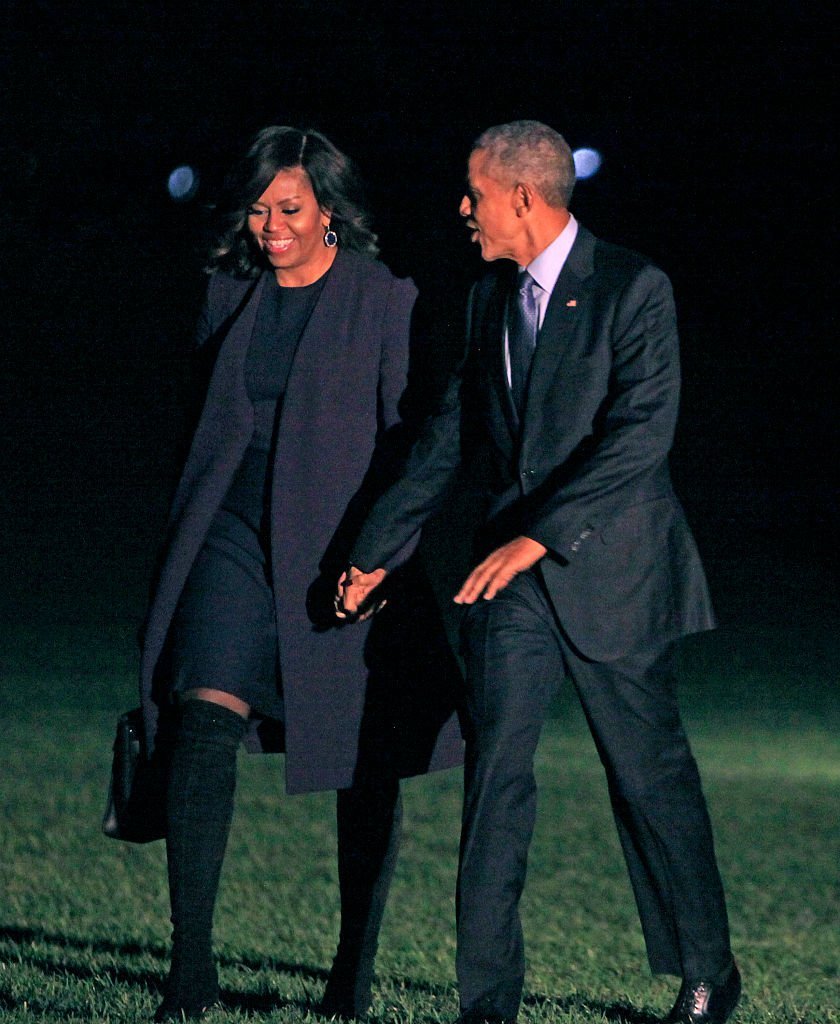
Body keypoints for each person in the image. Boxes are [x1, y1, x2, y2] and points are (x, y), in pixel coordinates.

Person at [338, 121, 741, 1024]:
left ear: (522, 195)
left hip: (615, 572)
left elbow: (640, 435)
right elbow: (447, 442)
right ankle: (486, 1001)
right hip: (511, 582)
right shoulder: (489, 301)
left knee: (648, 779)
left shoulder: (634, 288)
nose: (463, 209)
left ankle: (708, 970)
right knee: (497, 779)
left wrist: (541, 535)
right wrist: (374, 550)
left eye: (474, 193)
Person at [138, 125, 463, 1022]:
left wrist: (382, 553)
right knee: (200, 719)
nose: (270, 226)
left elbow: (410, 442)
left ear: (330, 211)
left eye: (289, 209)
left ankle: (351, 971)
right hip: (231, 535)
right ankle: (188, 968)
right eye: (257, 208)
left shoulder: (382, 298)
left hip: (340, 545)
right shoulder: (227, 292)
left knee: (365, 755)